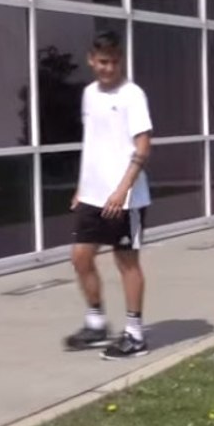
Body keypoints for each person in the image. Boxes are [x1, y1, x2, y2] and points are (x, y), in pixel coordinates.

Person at [63, 30, 153, 360]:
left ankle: (135, 335)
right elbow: (96, 142)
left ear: (121, 61)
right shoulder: (89, 94)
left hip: (126, 199)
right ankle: (97, 323)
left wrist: (123, 188)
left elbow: (143, 145)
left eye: (114, 62)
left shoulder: (132, 95)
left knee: (126, 262)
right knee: (80, 258)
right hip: (92, 195)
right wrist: (82, 187)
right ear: (91, 60)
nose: (108, 68)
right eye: (102, 62)